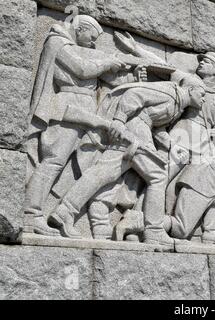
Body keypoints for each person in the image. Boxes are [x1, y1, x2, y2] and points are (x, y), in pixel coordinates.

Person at [48, 82, 205, 249]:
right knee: (158, 176)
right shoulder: (170, 94)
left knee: (104, 172)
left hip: (138, 131)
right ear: (191, 89)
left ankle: (64, 212)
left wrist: (172, 144)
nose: (203, 99)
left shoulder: (177, 106)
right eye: (202, 94)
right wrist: (119, 120)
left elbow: (154, 125)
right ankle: (153, 231)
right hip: (134, 132)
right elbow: (135, 94)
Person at [25, 15, 127, 236]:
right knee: (53, 162)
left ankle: (62, 215)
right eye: (92, 37)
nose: (93, 42)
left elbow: (107, 80)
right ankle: (31, 215)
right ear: (81, 28)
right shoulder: (57, 42)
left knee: (78, 166)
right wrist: (108, 62)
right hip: (67, 107)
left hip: (85, 110)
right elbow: (82, 69)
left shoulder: (75, 46)